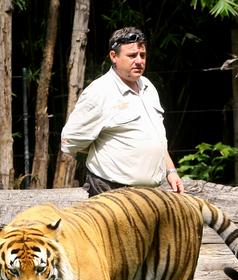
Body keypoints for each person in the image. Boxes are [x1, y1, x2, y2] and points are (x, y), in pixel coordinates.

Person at [61, 27, 184, 196]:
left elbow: (157, 137)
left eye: (143, 55)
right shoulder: (99, 91)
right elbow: (70, 141)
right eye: (132, 55)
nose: (139, 61)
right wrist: (101, 149)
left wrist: (171, 171)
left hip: (150, 193)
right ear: (114, 56)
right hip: (111, 191)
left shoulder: (148, 87)